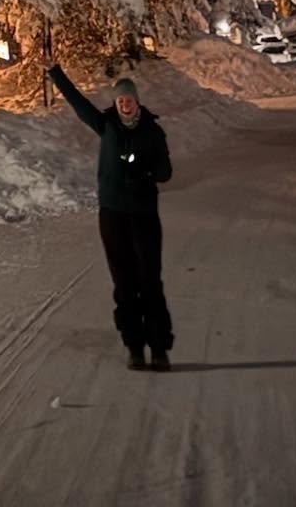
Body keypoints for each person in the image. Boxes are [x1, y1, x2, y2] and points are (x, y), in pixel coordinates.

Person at [49, 61, 174, 371]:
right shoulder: (106, 125)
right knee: (124, 283)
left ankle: (158, 348)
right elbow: (79, 104)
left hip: (144, 214)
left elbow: (165, 172)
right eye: (120, 101)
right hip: (113, 214)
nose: (124, 105)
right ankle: (134, 346)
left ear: (137, 102)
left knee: (150, 282)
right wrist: (55, 73)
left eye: (128, 100)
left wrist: (145, 169)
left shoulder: (152, 131)